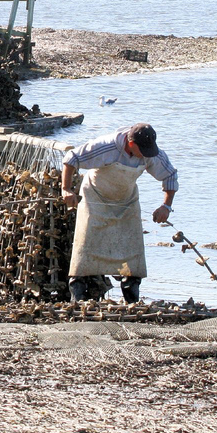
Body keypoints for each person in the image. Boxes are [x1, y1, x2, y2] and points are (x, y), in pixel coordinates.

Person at [61, 123, 178, 304]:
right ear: (131, 143)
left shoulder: (150, 153)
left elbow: (169, 175)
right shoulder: (106, 147)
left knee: (132, 254)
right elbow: (71, 158)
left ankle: (132, 301)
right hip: (95, 199)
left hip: (127, 203)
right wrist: (66, 189)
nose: (147, 154)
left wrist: (166, 207)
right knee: (85, 250)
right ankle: (78, 300)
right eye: (143, 150)